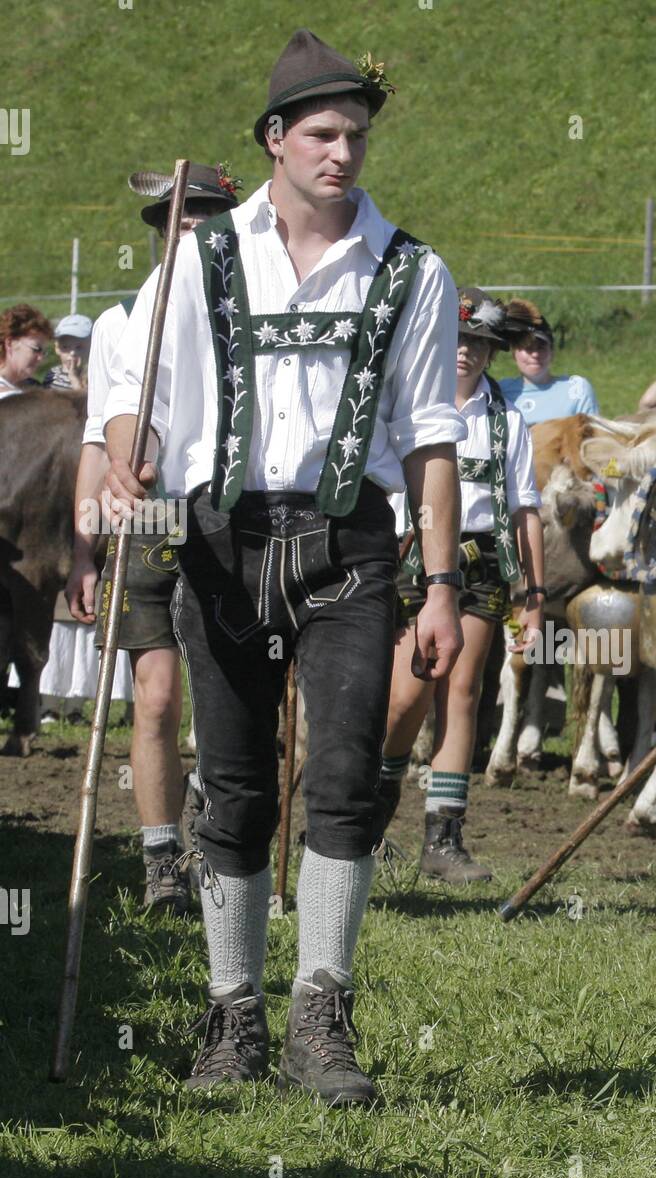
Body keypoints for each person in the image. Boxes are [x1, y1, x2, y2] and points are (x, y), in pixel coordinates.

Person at [103, 29, 466, 1107]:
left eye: (354, 134)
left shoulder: (413, 269)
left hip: (352, 545)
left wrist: (441, 582)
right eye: (320, 133)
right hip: (223, 541)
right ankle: (231, 1014)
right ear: (272, 141)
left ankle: (323, 1010)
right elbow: (141, 398)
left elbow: (432, 438)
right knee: (237, 784)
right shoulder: (200, 261)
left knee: (347, 775)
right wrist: (128, 457)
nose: (341, 153)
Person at [66, 163, 240, 914]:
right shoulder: (119, 321)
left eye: (209, 213)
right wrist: (82, 542)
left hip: (225, 514)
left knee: (231, 691)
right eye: (183, 214)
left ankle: (221, 829)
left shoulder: (245, 309)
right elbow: (96, 438)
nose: (196, 225)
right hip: (151, 520)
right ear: (163, 226)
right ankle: (162, 860)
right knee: (157, 697)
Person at [380, 288, 544, 881]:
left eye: (478, 343)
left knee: (464, 689)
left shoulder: (509, 421)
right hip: (412, 559)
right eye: (458, 340)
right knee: (408, 694)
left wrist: (535, 597)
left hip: (481, 560)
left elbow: (526, 509)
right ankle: (373, 810)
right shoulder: (407, 404)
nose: (467, 352)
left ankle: (442, 839)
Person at [497, 298, 599, 422]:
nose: (535, 354)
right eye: (527, 348)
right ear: (514, 354)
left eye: (541, 347)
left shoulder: (577, 390)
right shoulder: (499, 391)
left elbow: (592, 438)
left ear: (552, 352)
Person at [0, 304, 52, 398]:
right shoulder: (8, 397)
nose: (41, 358)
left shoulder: (24, 388)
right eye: (36, 349)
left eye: (44, 352)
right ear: (10, 344)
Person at [45, 314, 93, 392]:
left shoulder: (91, 375)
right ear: (57, 348)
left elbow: (87, 402)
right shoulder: (52, 375)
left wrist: (74, 379)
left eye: (79, 347)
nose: (72, 353)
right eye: (65, 347)